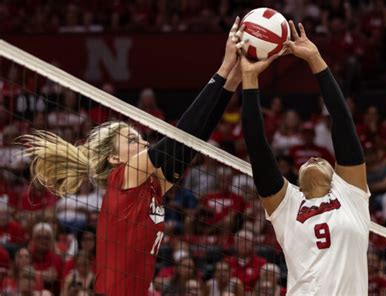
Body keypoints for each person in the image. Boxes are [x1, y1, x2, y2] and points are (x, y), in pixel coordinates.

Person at [19, 17, 245, 296]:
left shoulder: (152, 185)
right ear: (114, 158)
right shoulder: (123, 175)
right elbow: (181, 135)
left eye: (139, 136)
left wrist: (232, 81)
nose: (141, 140)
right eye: (130, 139)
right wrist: (223, 68)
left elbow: (192, 141)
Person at [239, 20, 370, 294]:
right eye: (307, 161)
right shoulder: (286, 205)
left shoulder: (351, 194)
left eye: (321, 160)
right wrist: (249, 80)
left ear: (336, 174)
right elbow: (257, 146)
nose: (313, 159)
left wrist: (315, 60)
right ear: (296, 178)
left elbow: (342, 122)